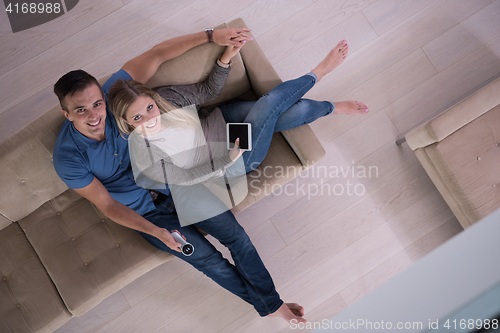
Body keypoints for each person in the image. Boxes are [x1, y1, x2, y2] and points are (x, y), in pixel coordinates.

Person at [52, 27, 308, 323]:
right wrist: (155, 232)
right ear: (66, 114)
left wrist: (213, 35)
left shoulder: (115, 97)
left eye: (97, 103)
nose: (95, 115)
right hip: (148, 215)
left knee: (237, 237)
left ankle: (272, 305)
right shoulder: (68, 157)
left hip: (179, 184)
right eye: (81, 110)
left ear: (103, 96)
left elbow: (157, 54)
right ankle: (274, 306)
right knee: (208, 260)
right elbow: (108, 205)